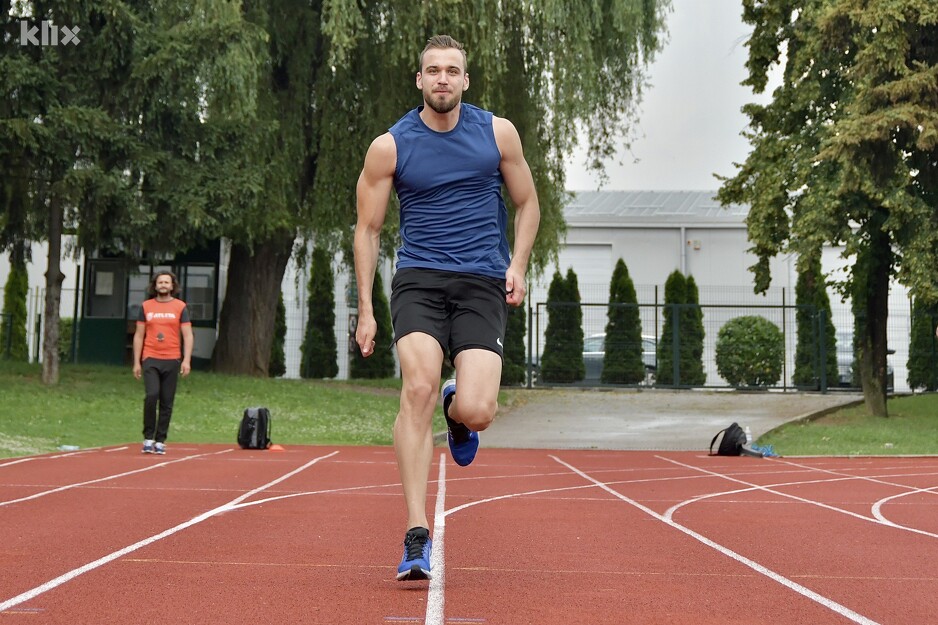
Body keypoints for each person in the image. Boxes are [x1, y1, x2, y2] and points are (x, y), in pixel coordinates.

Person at [353, 34, 540, 581]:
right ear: (419, 80)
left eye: (451, 70)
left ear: (465, 80)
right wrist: (366, 307)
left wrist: (519, 264)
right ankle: (416, 533)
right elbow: (367, 229)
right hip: (419, 279)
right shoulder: (390, 146)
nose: (441, 78)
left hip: (482, 280)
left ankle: (458, 411)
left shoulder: (496, 133)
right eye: (432, 69)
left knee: (480, 411)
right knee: (417, 388)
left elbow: (527, 203)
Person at [132, 271, 194, 455]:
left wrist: (187, 360)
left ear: (172, 286)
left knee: (167, 401)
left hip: (172, 358)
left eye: (167, 282)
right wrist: (136, 362)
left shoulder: (180, 307)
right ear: (155, 285)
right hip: (150, 357)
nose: (163, 285)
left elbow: (188, 335)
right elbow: (139, 334)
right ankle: (148, 437)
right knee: (152, 395)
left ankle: (160, 440)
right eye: (160, 282)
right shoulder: (146, 306)